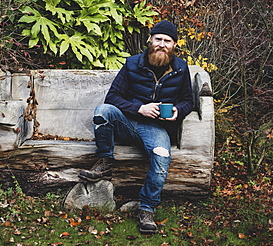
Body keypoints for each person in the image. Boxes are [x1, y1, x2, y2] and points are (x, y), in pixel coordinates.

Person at [78, 20, 193, 234]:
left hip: (156, 130)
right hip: (128, 121)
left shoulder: (181, 69)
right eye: (158, 39)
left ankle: (147, 209)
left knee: (161, 155)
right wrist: (139, 108)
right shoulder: (132, 64)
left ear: (174, 45)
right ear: (150, 40)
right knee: (103, 111)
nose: (161, 44)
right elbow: (112, 97)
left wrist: (178, 110)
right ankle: (105, 161)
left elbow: (188, 100)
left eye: (167, 41)